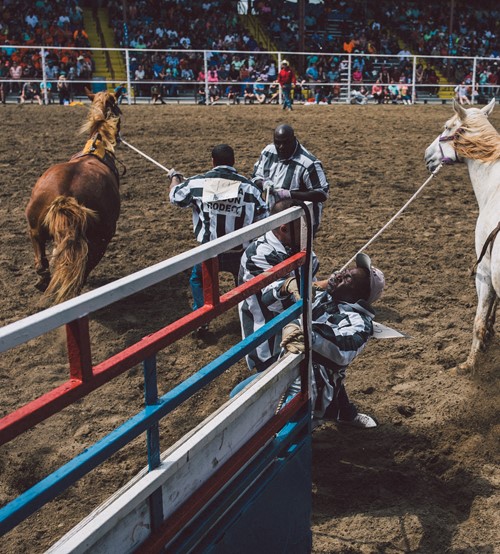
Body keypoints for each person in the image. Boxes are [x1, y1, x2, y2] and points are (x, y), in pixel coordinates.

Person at [169, 144, 269, 333]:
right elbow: (263, 218)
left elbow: (175, 197)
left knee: (198, 278)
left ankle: (201, 317)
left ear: (213, 162)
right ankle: (247, 315)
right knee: (244, 282)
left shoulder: (197, 183)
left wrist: (175, 178)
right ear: (233, 162)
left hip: (210, 251)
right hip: (239, 251)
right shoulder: (249, 188)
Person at [280, 252, 386, 428]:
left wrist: (307, 336)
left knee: (281, 431)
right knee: (238, 394)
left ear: (357, 294)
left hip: (311, 386)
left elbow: (341, 352)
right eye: (343, 272)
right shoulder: (325, 296)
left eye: (347, 278)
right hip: (287, 367)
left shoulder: (359, 323)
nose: (338, 275)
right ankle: (345, 413)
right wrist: (290, 286)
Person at [238, 199, 320, 373]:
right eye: (304, 228)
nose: (310, 233)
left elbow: (312, 274)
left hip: (295, 331)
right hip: (268, 341)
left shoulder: (297, 245)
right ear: (284, 229)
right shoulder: (259, 254)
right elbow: (276, 303)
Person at [252, 124, 329, 235]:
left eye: (286, 142)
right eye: (277, 143)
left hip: (300, 223)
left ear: (294, 139)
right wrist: (263, 183)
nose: (281, 147)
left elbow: (322, 194)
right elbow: (255, 177)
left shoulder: (308, 163)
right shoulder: (268, 153)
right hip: (273, 218)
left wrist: (290, 194)